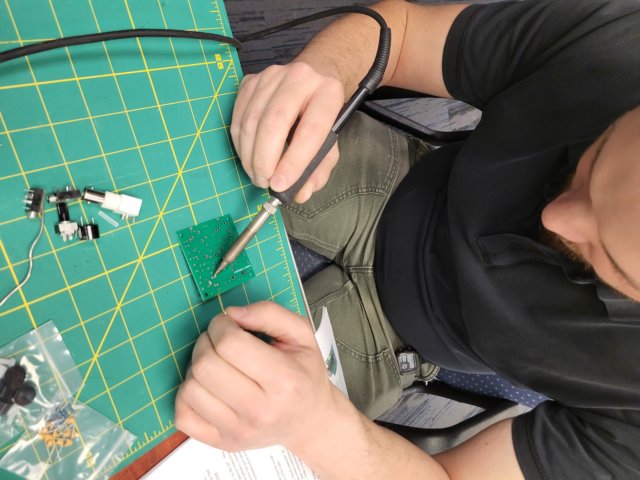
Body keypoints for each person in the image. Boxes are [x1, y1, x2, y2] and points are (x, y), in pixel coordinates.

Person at [174, 0, 640, 477]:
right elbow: (403, 33)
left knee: (195, 418)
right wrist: (322, 73)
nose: (555, 217)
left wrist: (314, 424)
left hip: (397, 342)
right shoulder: (622, 44)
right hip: (394, 180)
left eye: (607, 255)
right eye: (596, 156)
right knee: (182, 150)